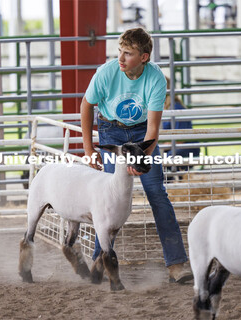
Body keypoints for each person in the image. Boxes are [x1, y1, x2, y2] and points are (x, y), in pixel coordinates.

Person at [80, 27, 192, 283]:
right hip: (111, 131)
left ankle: (176, 264)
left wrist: (140, 159)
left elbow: (153, 129)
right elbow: (86, 105)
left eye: (127, 53)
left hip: (142, 135)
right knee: (108, 200)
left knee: (157, 194)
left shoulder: (155, 79)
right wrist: (89, 150)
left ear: (144, 57)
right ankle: (100, 261)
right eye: (120, 51)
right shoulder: (106, 73)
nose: (120, 58)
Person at [162, 77, 200, 177]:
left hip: (186, 148)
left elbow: (180, 138)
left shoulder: (176, 108)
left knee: (162, 159)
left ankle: (171, 183)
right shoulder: (166, 107)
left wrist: (161, 148)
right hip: (175, 147)